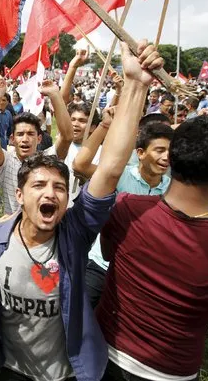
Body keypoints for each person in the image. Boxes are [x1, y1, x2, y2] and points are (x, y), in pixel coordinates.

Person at [0, 40, 166, 381]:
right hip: (5, 366)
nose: (51, 193)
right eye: (39, 186)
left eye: (60, 187)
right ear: (18, 194)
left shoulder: (74, 232)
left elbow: (110, 170)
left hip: (65, 373)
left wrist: (135, 85)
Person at [97, 114, 208, 381]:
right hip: (171, 371)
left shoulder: (127, 208)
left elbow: (109, 254)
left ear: (172, 160)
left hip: (101, 354)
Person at [74, 121, 174, 308]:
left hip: (139, 274)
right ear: (141, 153)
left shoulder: (172, 190)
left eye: (170, 151)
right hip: (101, 266)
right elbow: (80, 166)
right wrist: (104, 125)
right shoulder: (119, 177)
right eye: (159, 150)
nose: (166, 157)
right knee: (80, 314)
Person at [0, 74, 74, 216]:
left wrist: (55, 94)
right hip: (12, 231)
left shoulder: (48, 160)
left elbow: (67, 136)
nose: (25, 139)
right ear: (12, 139)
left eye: (30, 134)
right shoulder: (6, 161)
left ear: (39, 139)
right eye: (20, 134)